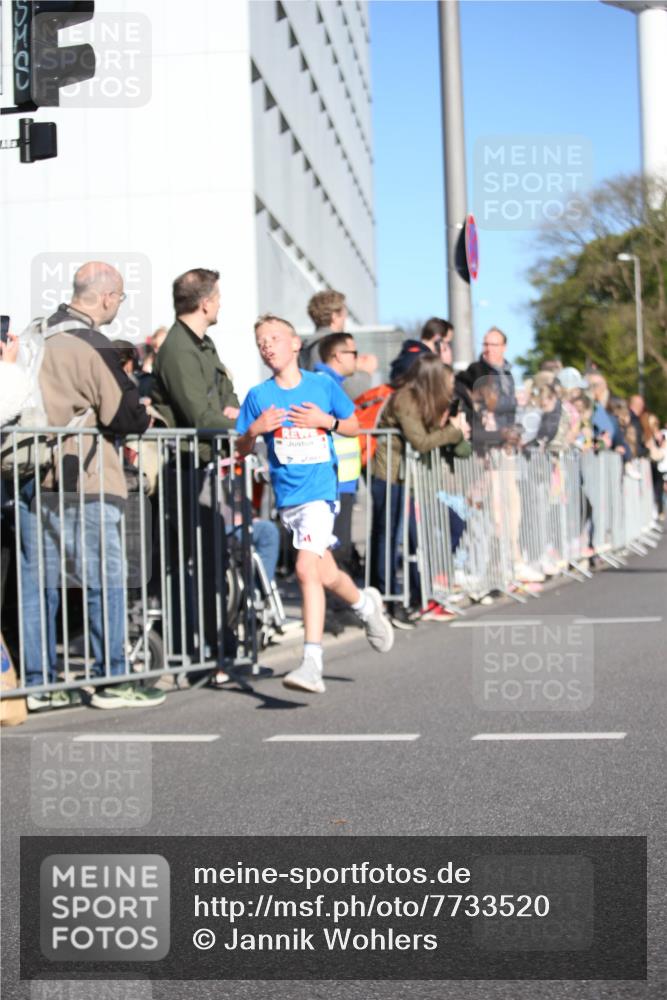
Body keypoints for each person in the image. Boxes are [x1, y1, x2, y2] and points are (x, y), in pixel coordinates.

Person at [19, 262, 164, 710]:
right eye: (119, 298)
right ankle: (112, 680)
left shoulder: (32, 337)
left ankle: (41, 684)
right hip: (87, 476)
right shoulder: (93, 345)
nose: (118, 305)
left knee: (38, 583)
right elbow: (122, 416)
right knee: (107, 577)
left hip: (29, 472)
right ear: (105, 297)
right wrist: (144, 409)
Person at [236, 314, 394, 695]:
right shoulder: (259, 396)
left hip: (322, 493)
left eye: (274, 337)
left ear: (295, 344)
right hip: (288, 500)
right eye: (261, 341)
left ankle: (311, 663)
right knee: (324, 574)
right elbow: (239, 448)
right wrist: (255, 431)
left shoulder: (321, 386)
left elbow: (354, 425)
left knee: (306, 568)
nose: (267, 344)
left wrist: (326, 421)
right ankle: (365, 607)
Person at [152, 269, 278, 679]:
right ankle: (206, 658)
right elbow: (199, 414)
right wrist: (242, 424)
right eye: (218, 296)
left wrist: (235, 416)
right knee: (198, 565)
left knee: (213, 563)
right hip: (184, 468)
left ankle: (221, 653)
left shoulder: (203, 346)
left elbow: (227, 399)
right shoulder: (178, 349)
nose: (221, 303)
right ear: (204, 302)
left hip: (206, 464)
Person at [370, 354, 469, 627]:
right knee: (387, 540)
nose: (451, 388)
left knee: (410, 541)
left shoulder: (423, 401)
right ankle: (387, 601)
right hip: (388, 475)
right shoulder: (406, 398)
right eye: (447, 382)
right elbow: (421, 441)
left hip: (408, 479)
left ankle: (413, 597)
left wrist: (451, 429)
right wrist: (452, 431)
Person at [314, 332, 362, 577]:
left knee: (338, 549)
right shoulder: (324, 383)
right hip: (334, 480)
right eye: (353, 353)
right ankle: (336, 611)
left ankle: (338, 609)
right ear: (337, 355)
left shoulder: (333, 383)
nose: (357, 358)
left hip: (342, 480)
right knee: (334, 550)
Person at [457, 327, 517, 452]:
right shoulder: (476, 371)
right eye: (485, 344)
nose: (488, 349)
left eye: (493, 345)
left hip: (506, 443)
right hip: (484, 442)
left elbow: (511, 411)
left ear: (504, 347)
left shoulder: (508, 375)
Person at [389, 317, 453, 382]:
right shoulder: (422, 360)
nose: (447, 348)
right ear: (437, 338)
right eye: (446, 343)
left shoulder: (411, 354)